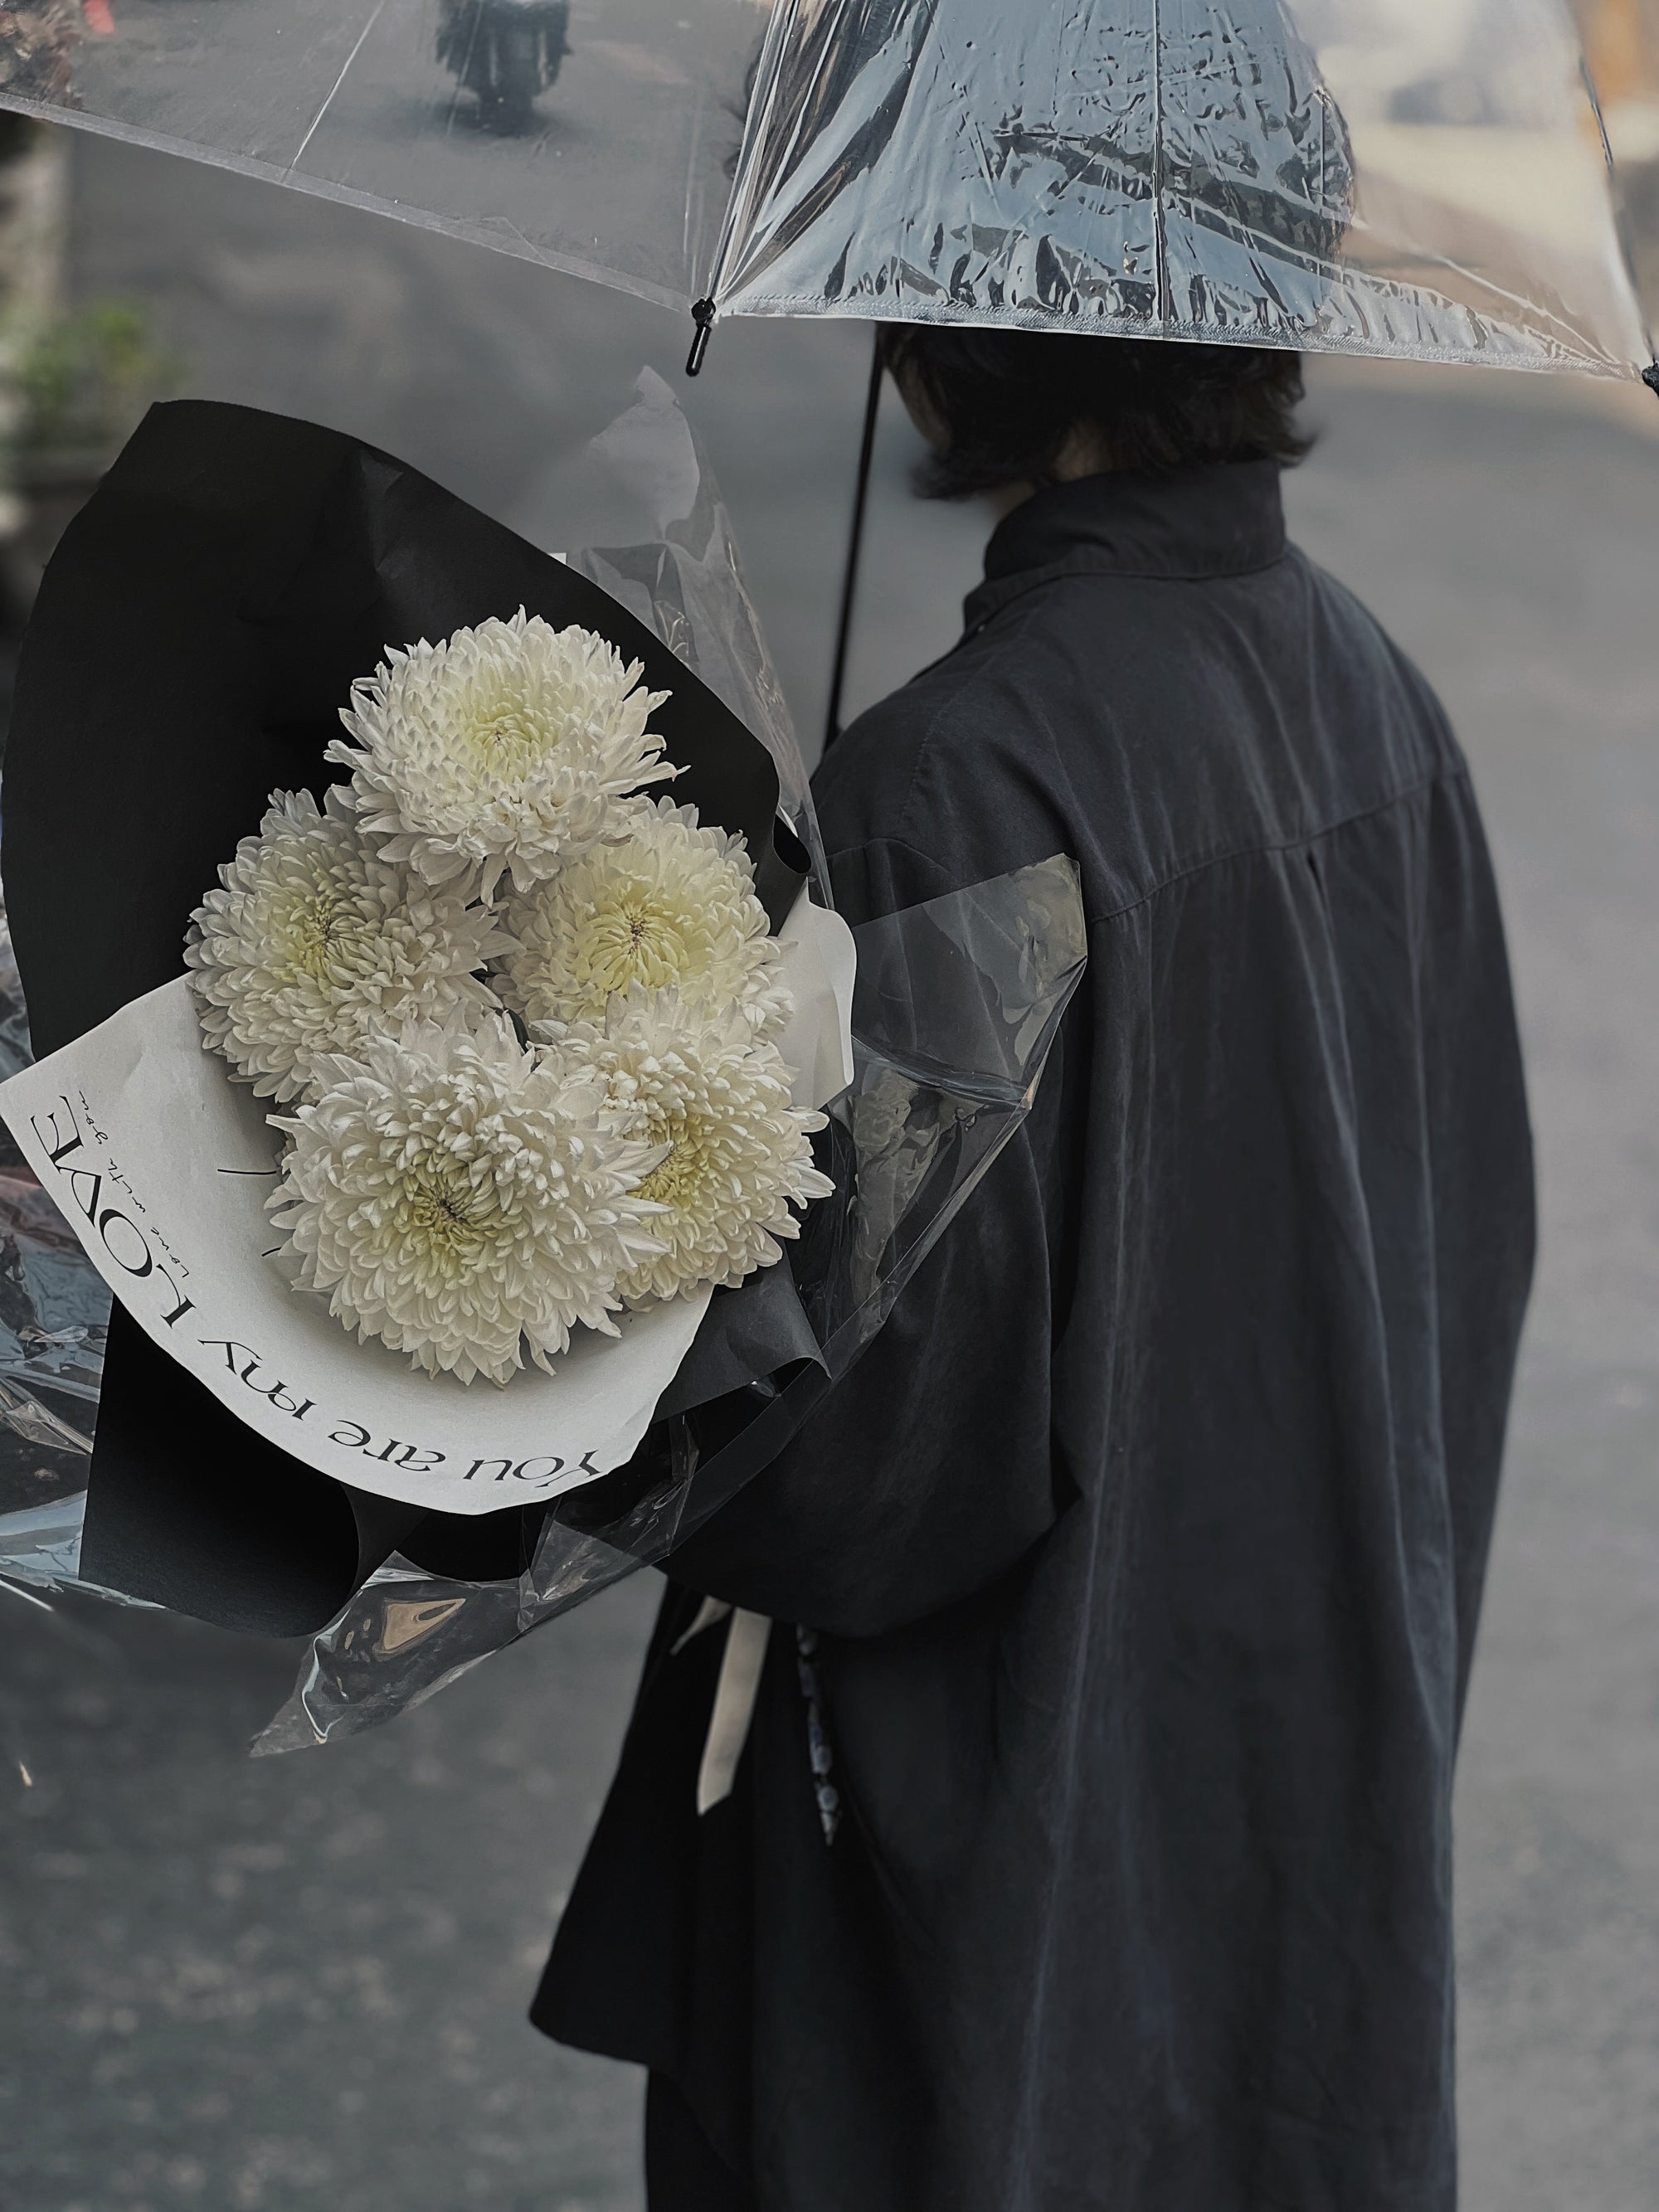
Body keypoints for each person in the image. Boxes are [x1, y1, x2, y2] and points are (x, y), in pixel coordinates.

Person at [531, 326, 1535, 2212]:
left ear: (948, 350)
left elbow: (846, 1481)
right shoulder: (1377, 695)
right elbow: (1465, 1254)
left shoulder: (958, 784)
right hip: (1282, 1765)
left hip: (989, 1843)